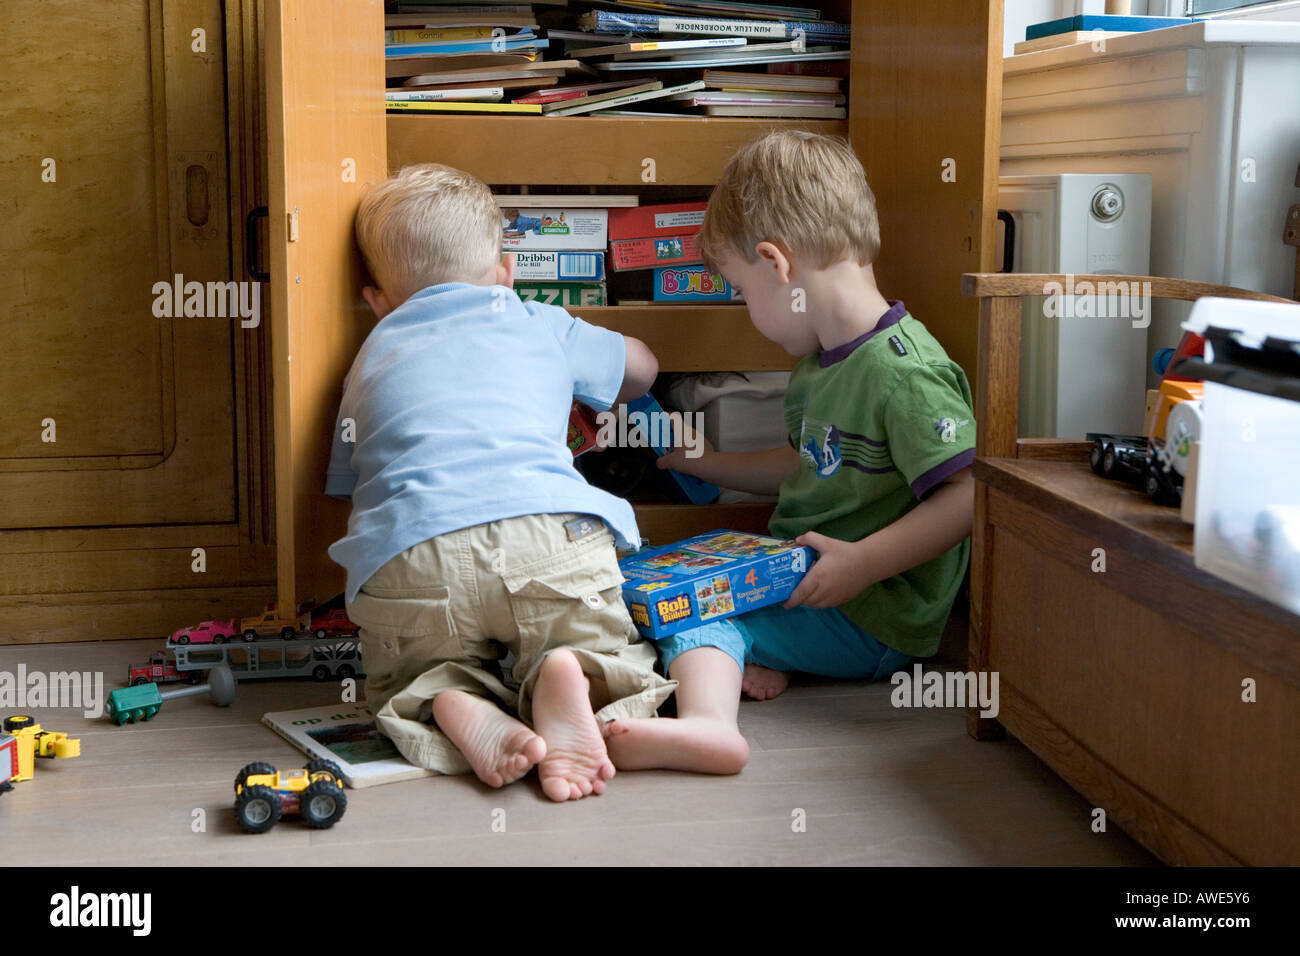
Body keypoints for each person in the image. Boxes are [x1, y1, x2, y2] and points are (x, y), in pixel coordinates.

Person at [603, 131, 976, 774]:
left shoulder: (906, 372)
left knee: (691, 613)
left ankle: (709, 725)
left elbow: (971, 494)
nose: (747, 309)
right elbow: (803, 462)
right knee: (658, 581)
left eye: (740, 290)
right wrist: (702, 463)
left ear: (778, 265)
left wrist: (862, 563)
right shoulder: (819, 367)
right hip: (811, 580)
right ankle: (763, 657)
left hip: (875, 614)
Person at [326, 163, 675, 800]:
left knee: (409, 680)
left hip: (413, 555)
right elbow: (643, 368)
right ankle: (566, 670)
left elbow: (352, 485)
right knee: (607, 645)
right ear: (505, 272)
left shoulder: (367, 358)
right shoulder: (535, 318)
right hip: (548, 533)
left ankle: (452, 698)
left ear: (377, 302)